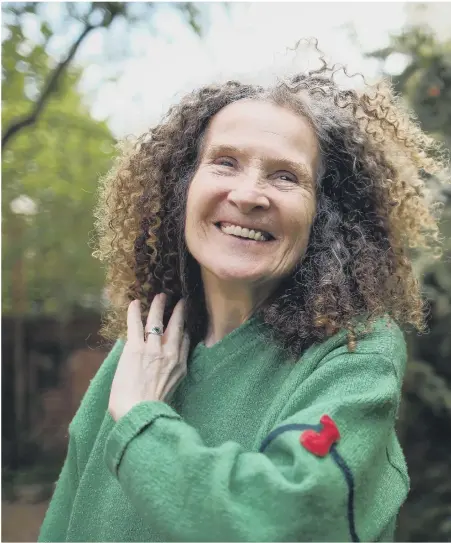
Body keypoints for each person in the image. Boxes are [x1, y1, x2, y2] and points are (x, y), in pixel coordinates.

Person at [39, 45, 447, 542]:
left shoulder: (353, 352)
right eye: (225, 162)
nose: (250, 194)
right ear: (181, 188)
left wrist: (142, 423)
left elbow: (285, 519)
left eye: (285, 176)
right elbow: (66, 520)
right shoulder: (143, 345)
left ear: (325, 213)